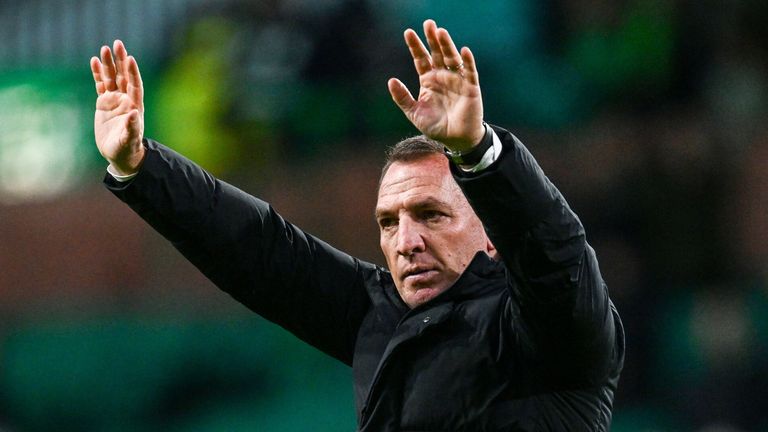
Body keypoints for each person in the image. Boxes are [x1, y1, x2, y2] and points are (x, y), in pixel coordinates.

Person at [90, 19, 624, 431]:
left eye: (431, 215)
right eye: (388, 223)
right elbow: (259, 248)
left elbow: (555, 252)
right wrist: (142, 166)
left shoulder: (548, 330)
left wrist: (480, 152)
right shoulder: (379, 312)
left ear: (490, 232)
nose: (406, 241)